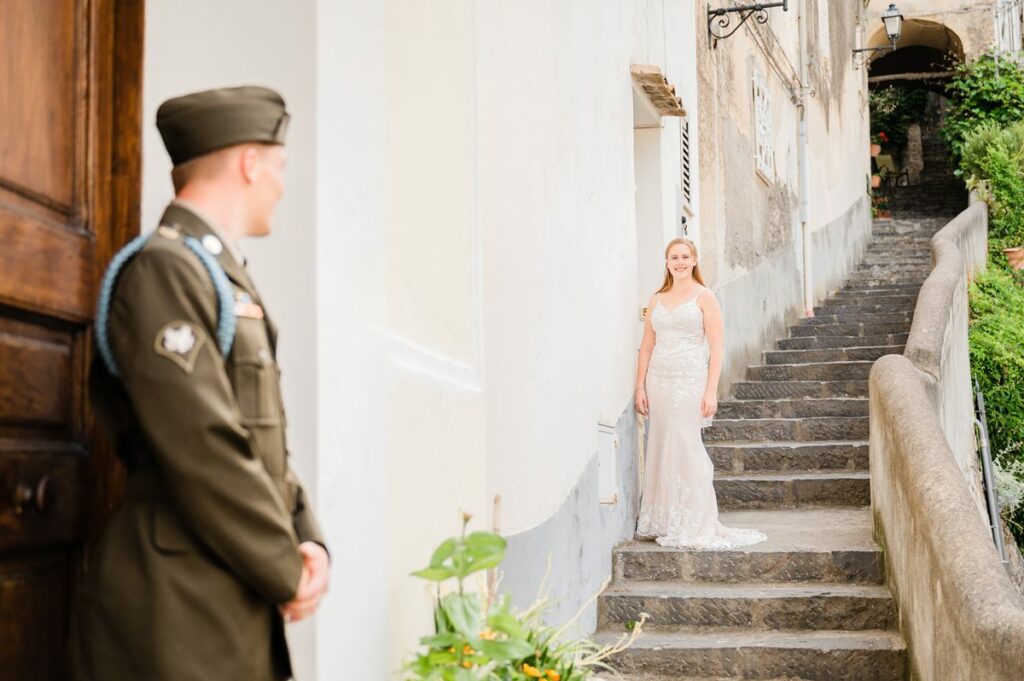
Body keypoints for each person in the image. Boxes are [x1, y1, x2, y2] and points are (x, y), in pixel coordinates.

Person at [69, 86, 329, 681]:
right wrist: (285, 566)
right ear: (249, 162)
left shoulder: (218, 275)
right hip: (176, 604)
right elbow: (205, 447)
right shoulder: (165, 268)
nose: (282, 185)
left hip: (224, 584)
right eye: (280, 166)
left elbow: (261, 437)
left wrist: (307, 537)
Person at [633, 238, 767, 550]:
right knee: (661, 445)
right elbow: (647, 347)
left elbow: (718, 348)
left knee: (686, 445)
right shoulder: (656, 299)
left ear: (694, 261)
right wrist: (639, 386)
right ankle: (664, 519)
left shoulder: (704, 297)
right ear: (666, 262)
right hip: (659, 380)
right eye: (673, 257)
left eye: (684, 257)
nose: (679, 262)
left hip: (689, 380)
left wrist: (711, 391)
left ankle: (695, 521)